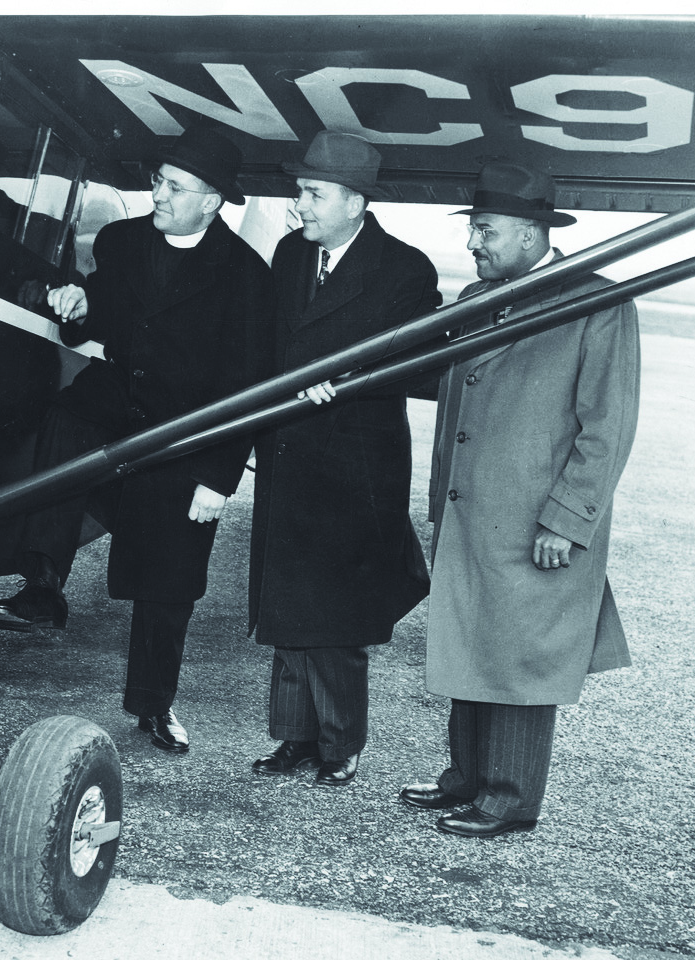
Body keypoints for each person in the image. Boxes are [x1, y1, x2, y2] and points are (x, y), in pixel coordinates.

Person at [0, 126, 274, 753]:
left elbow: (249, 385)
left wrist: (217, 479)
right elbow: (104, 318)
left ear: (213, 201)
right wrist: (78, 303)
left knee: (168, 578)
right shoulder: (120, 241)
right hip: (119, 399)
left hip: (187, 427)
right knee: (65, 416)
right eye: (158, 182)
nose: (159, 195)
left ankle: (153, 704)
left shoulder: (248, 277)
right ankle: (42, 585)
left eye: (176, 187)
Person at [400, 161, 641, 836]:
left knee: (520, 660)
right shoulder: (485, 295)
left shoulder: (599, 302)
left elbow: (607, 427)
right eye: (475, 229)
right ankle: (466, 780)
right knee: (472, 645)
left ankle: (508, 799)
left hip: (536, 522)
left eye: (487, 230)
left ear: (533, 233)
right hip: (474, 513)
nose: (473, 243)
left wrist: (566, 520)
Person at [248, 131, 442, 787]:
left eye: (313, 193)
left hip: (352, 467)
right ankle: (295, 739)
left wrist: (353, 376)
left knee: (334, 616)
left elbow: (421, 366)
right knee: (285, 608)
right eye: (300, 190)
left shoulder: (405, 269)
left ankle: (340, 743)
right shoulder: (289, 255)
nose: (299, 204)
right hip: (288, 454)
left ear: (357, 201)